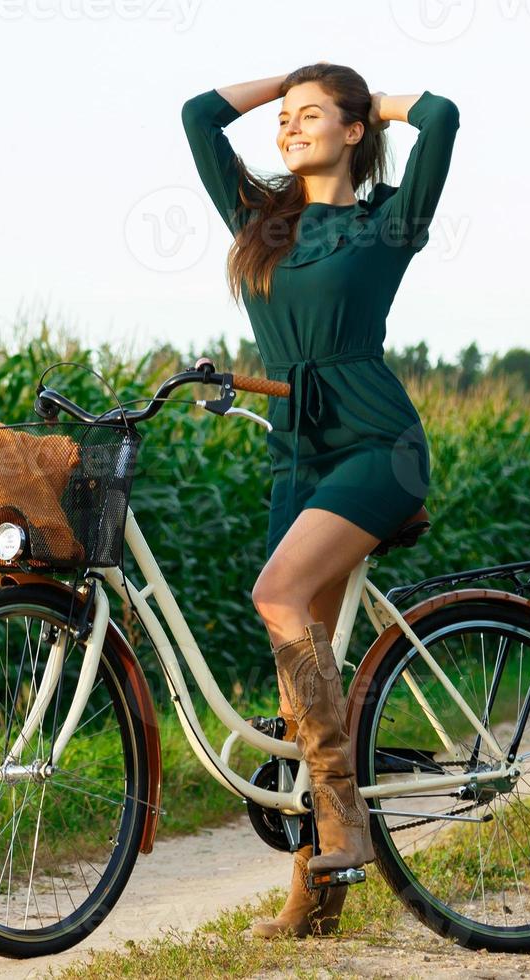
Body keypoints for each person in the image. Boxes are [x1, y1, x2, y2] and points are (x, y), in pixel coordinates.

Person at [179, 62, 460, 938]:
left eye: (309, 118)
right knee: (299, 669)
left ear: (351, 132)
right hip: (294, 456)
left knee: (277, 594)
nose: (287, 129)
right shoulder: (265, 222)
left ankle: (343, 822)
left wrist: (365, 101)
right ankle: (319, 893)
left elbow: (444, 116)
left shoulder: (387, 220)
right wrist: (293, 84)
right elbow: (197, 117)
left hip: (378, 446)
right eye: (283, 119)